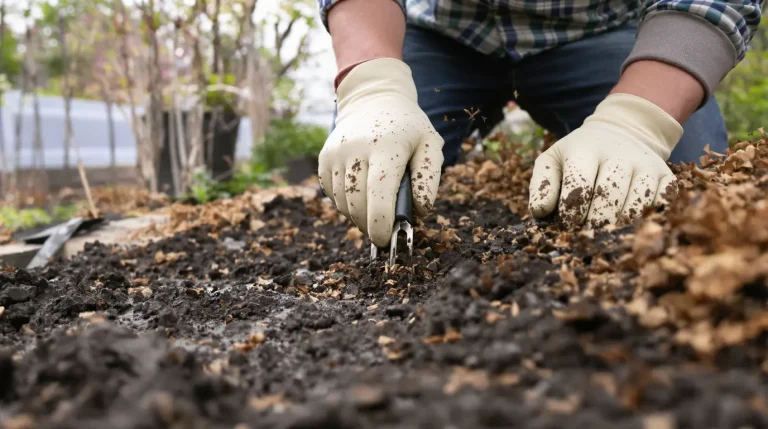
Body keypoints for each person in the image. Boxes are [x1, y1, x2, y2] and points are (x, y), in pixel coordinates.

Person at [315, 0, 763, 248]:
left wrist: (638, 122)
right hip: (444, 33)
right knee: (368, 177)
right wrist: (372, 84)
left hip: (596, 32)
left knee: (681, 188)